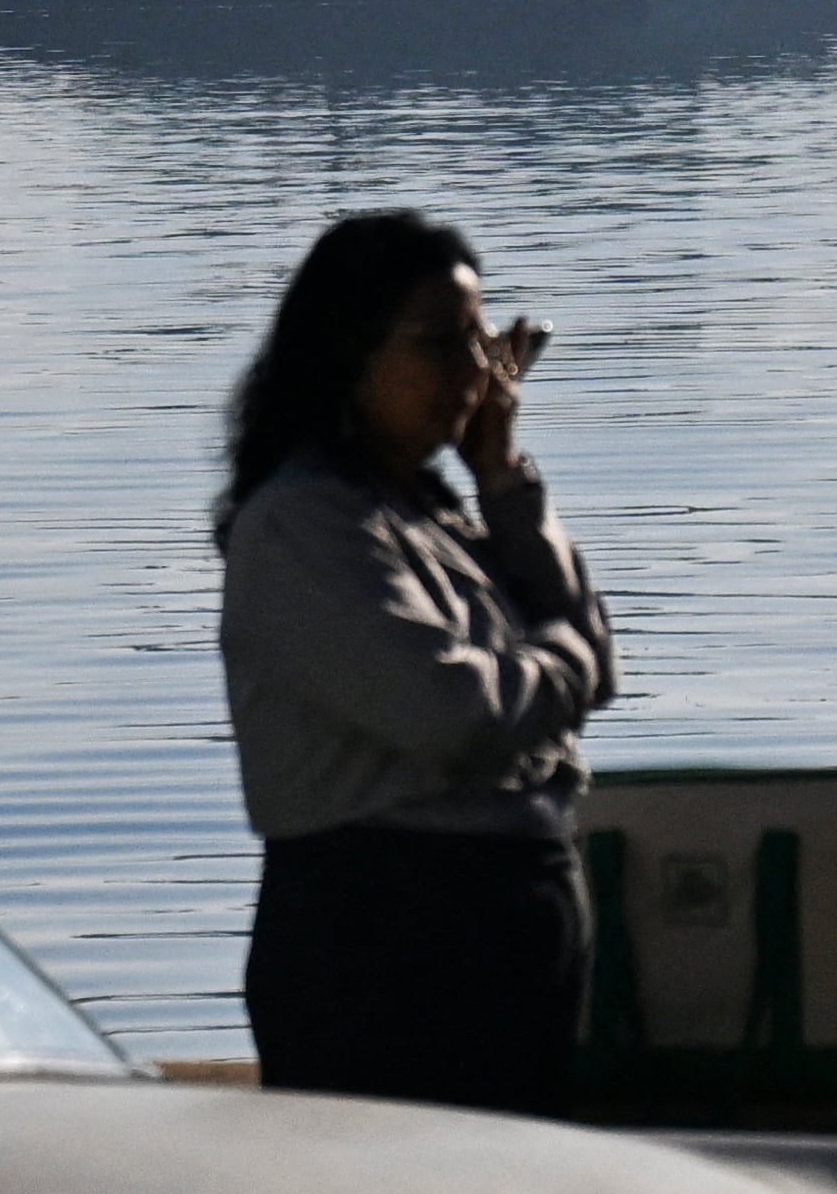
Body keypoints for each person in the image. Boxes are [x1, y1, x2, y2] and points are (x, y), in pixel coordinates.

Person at [216, 211, 615, 1116]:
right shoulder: (303, 529)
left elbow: (590, 659)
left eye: (481, 343)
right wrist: (568, 663)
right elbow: (460, 714)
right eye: (441, 345)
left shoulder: (430, 516)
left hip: (498, 936)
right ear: (346, 353)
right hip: (384, 953)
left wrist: (503, 476)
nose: (476, 372)